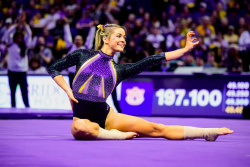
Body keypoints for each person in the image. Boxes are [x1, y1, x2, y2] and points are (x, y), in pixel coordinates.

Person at [48, 24, 233, 141]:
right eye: (119, 36)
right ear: (105, 38)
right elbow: (54, 67)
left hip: (108, 117)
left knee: (157, 129)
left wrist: (184, 50)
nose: (123, 40)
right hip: (81, 120)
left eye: (125, 38)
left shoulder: (119, 70)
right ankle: (117, 137)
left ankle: (206, 133)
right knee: (81, 127)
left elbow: (152, 59)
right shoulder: (83, 55)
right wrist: (68, 91)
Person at [6, 13, 31, 108]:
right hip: (12, 72)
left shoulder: (25, 46)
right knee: (12, 91)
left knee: (24, 91)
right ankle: (13, 107)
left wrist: (24, 23)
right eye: (17, 37)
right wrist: (17, 24)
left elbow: (29, 33)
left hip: (22, 72)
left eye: (20, 37)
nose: (19, 39)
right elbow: (8, 33)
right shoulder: (10, 44)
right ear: (14, 37)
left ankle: (27, 107)